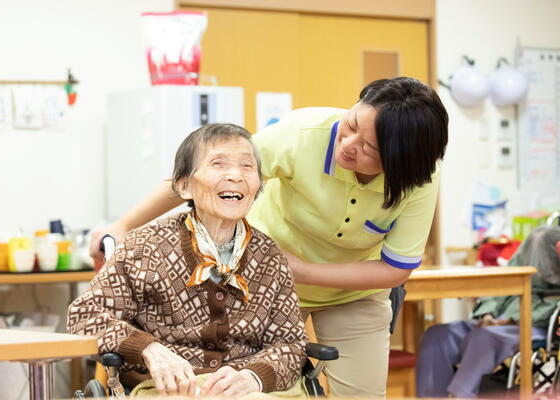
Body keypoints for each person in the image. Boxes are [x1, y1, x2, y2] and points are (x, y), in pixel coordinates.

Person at [90, 77, 449, 397]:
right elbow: (211, 173)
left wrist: (300, 270)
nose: (349, 144)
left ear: (401, 161)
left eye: (369, 148)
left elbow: (394, 270)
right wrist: (123, 225)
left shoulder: (417, 181)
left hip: (351, 291)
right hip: (265, 286)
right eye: (351, 124)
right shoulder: (302, 133)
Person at [69, 123, 308, 397]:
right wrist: (149, 349)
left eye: (247, 166)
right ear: (184, 186)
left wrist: (254, 377)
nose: (235, 176)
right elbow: (85, 315)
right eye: (218, 164)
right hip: (170, 388)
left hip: (249, 391)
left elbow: (290, 344)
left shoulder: (269, 257)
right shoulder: (144, 247)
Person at [416, 226, 560, 398]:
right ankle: (430, 396)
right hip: (497, 321)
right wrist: (487, 314)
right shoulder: (532, 245)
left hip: (534, 329)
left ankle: (462, 396)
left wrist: (510, 321)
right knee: (439, 334)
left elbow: (552, 311)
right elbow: (501, 284)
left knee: (484, 337)